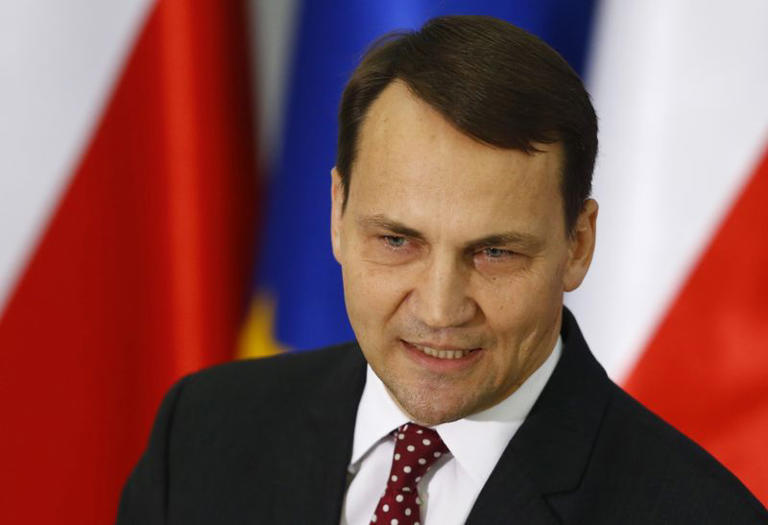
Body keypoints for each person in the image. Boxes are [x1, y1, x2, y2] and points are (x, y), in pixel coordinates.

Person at [117, 15, 767, 524]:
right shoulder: (203, 432)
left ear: (577, 244)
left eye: (494, 253)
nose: (439, 308)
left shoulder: (698, 514)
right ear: (338, 213)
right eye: (398, 240)